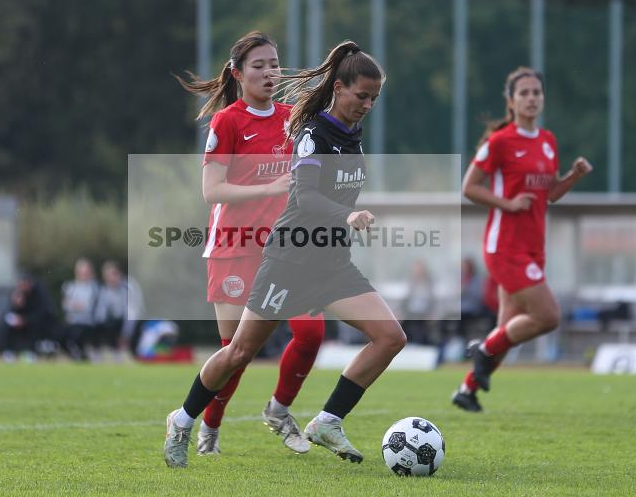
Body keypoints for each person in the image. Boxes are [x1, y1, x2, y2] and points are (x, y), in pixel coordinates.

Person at [165, 40, 404, 469]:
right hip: (289, 262)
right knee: (238, 353)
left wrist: (348, 223)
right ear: (339, 88)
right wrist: (345, 216)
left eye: (375, 98)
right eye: (362, 95)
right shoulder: (312, 134)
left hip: (330, 263)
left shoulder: (352, 134)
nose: (368, 104)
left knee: (391, 337)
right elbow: (306, 196)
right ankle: (184, 420)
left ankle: (328, 420)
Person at [175, 30, 326, 455]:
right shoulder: (227, 121)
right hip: (234, 248)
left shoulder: (292, 117)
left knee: (311, 333)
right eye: (258, 65)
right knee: (236, 354)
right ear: (238, 74)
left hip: (285, 249)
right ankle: (211, 426)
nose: (269, 72)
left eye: (274, 64)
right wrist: (268, 188)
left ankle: (279, 410)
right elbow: (211, 191)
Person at [451, 67, 592, 413]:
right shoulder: (500, 143)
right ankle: (483, 349)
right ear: (511, 101)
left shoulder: (547, 141)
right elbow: (469, 187)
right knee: (547, 316)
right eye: (524, 93)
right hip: (505, 247)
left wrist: (573, 176)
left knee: (508, 327)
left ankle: (467, 390)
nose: (531, 98)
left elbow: (551, 194)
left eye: (536, 93)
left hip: (534, 246)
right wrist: (508, 203)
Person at [0, 272, 57, 362]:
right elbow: (9, 312)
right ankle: (9, 352)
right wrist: (16, 306)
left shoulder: (39, 293)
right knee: (6, 325)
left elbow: (42, 313)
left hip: (38, 322)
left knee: (34, 326)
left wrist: (25, 320)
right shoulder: (18, 293)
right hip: (20, 321)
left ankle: (31, 352)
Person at [93, 260, 143, 361]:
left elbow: (132, 313)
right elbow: (100, 315)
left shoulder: (129, 287)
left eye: (111, 275)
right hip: (115, 324)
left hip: (133, 323)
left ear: (118, 274)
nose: (108, 279)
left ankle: (130, 354)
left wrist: (125, 335)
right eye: (106, 275)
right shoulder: (104, 290)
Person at [61, 257, 99, 361]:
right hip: (71, 322)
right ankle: (79, 356)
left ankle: (83, 356)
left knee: (76, 336)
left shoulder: (94, 287)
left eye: (86, 272)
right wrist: (77, 305)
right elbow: (65, 306)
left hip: (86, 323)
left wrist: (73, 304)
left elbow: (87, 307)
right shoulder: (70, 286)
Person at [401, 259, 435, 344]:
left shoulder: (428, 283)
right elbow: (407, 298)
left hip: (423, 312)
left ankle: (418, 343)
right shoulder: (411, 282)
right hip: (411, 311)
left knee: (418, 326)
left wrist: (431, 313)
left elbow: (431, 300)